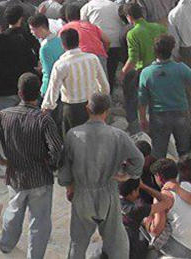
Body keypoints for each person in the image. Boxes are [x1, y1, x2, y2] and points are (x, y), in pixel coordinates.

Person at [0, 72, 63, 259]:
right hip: (40, 177)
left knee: (13, 212)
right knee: (40, 222)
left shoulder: (4, 116)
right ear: (39, 93)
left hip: (15, 174)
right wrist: (49, 164)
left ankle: (6, 245)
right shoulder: (44, 120)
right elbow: (57, 150)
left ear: (19, 93)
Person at [59, 92, 145, 259]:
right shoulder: (117, 135)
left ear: (87, 109)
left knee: (78, 243)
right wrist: (127, 175)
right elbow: (138, 159)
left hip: (82, 193)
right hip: (108, 192)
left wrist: (69, 186)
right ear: (107, 111)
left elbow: (64, 167)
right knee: (116, 243)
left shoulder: (73, 134)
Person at [139, 34, 191, 158]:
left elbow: (142, 100)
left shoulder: (146, 73)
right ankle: (185, 175)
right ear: (171, 50)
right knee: (185, 153)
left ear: (154, 50)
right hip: (180, 113)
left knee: (159, 154)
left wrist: (143, 119)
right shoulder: (181, 69)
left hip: (158, 116)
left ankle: (161, 175)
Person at [42, 28, 109, 133]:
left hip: (71, 110)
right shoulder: (92, 59)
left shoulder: (61, 64)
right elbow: (104, 86)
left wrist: (46, 107)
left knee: (73, 141)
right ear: (78, 41)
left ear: (63, 45)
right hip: (92, 106)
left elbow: (53, 91)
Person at [0, 6, 39, 112]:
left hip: (4, 90)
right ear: (21, 18)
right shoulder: (28, 38)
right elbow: (34, 61)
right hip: (25, 87)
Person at [145, 158, 191, 257]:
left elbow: (156, 230)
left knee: (146, 230)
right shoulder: (187, 186)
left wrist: (147, 220)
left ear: (159, 177)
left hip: (183, 249)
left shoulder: (163, 196)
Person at [121, 2, 167, 132]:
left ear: (129, 17)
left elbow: (133, 58)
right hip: (161, 68)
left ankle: (136, 125)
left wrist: (123, 72)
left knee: (134, 97)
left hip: (144, 71)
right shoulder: (159, 27)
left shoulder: (133, 33)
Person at [80, 0, 127, 87]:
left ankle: (107, 94)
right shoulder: (114, 5)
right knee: (112, 69)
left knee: (102, 75)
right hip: (118, 43)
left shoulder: (86, 7)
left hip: (101, 45)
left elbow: (85, 29)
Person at [119, 178, 152, 259]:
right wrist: (144, 187)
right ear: (133, 192)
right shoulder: (136, 209)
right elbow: (166, 202)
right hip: (133, 250)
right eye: (138, 190)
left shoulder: (114, 202)